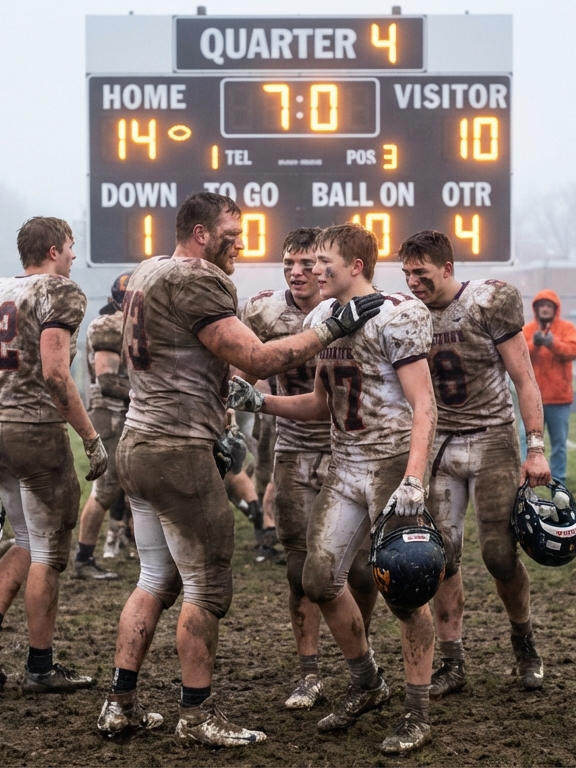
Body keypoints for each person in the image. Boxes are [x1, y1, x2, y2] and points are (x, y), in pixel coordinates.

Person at [97, 195, 382, 747]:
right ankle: (197, 716)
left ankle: (119, 703)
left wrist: (219, 415)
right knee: (207, 587)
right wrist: (331, 327)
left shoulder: (150, 271)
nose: (241, 242)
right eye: (232, 231)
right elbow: (259, 359)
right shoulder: (199, 278)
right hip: (175, 449)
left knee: (154, 579)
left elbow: (199, 358)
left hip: (137, 439)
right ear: (201, 233)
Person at [238, 224, 436, 754]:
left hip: (393, 461)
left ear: (356, 266)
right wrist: (261, 403)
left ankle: (417, 713)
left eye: (325, 261)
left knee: (406, 586)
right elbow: (320, 406)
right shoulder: (323, 318)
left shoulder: (399, 314)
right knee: (319, 578)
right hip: (345, 464)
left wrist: (415, 477)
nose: (314, 270)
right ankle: (368, 681)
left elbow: (425, 406)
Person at [398, 230, 552, 700]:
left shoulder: (487, 303)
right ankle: (452, 661)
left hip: (491, 440)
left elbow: (524, 380)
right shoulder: (408, 315)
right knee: (440, 559)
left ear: (447, 268)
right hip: (441, 442)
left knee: (499, 555)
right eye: (406, 273)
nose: (412, 283)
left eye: (420, 273)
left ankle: (524, 641)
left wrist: (536, 446)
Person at [0, 217, 107, 694]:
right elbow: (54, 374)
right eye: (68, 247)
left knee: (24, 540)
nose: (71, 256)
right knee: (49, 552)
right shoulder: (59, 292)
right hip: (37, 431)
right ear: (50, 251)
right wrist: (89, 436)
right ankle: (40, 665)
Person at [237, 227, 376, 710]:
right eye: (289, 264)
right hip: (294, 447)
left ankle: (360, 651)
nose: (298, 273)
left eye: (306, 264)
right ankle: (310, 671)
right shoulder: (263, 311)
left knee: (359, 568)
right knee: (299, 567)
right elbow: (241, 373)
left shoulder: (356, 307)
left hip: (347, 449)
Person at [72, 271, 132, 581]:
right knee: (105, 489)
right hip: (109, 414)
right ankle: (83, 557)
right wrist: (144, 392)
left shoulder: (122, 323)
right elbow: (108, 382)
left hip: (120, 414)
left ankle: (124, 538)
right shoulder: (110, 324)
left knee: (131, 483)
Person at [522, 289, 576, 484]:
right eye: (542, 306)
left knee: (559, 444)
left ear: (555, 309)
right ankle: (526, 477)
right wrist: (535, 344)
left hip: (559, 398)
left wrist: (552, 343)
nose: (545, 310)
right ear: (536, 309)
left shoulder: (567, 328)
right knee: (526, 440)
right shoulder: (527, 330)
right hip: (531, 399)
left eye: (548, 306)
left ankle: (558, 481)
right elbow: (518, 353)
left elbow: (573, 350)